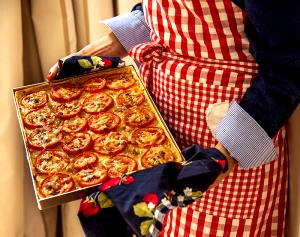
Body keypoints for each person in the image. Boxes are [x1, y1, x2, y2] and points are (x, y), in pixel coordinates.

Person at [46, 1, 300, 236]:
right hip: (159, 112)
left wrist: (223, 156)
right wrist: (106, 46)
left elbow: (288, 66)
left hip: (230, 129)